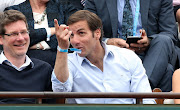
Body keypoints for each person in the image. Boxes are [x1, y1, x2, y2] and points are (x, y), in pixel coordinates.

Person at [51, 10, 156, 104]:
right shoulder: (68, 61)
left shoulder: (127, 57)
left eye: (81, 33)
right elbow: (60, 91)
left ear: (97, 33)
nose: (74, 41)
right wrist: (62, 48)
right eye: (72, 35)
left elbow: (146, 99)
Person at [84, 0, 178, 92]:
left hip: (150, 53)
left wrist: (148, 41)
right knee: (167, 71)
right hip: (113, 53)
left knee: (164, 40)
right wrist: (108, 41)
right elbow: (86, 32)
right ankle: (141, 95)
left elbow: (169, 33)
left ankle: (137, 92)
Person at [0, 10, 53, 104]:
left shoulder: (44, 69)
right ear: (1, 39)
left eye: (24, 32)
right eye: (14, 34)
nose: (20, 38)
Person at [4, 0, 77, 67]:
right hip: (26, 63)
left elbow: (73, 32)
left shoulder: (64, 7)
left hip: (61, 61)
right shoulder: (14, 11)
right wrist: (51, 31)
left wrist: (39, 44)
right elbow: (17, 38)